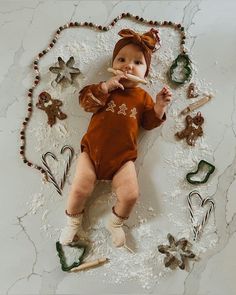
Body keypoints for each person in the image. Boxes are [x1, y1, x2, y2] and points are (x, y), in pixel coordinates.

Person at [59, 28, 172, 248]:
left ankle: (116, 223)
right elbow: (85, 102)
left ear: (146, 72)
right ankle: (72, 222)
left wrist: (159, 106)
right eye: (122, 59)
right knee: (80, 188)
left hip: (122, 160)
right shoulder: (104, 89)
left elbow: (149, 123)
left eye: (137, 63)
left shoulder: (143, 97)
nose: (128, 66)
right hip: (91, 153)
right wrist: (105, 87)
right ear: (113, 63)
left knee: (130, 195)